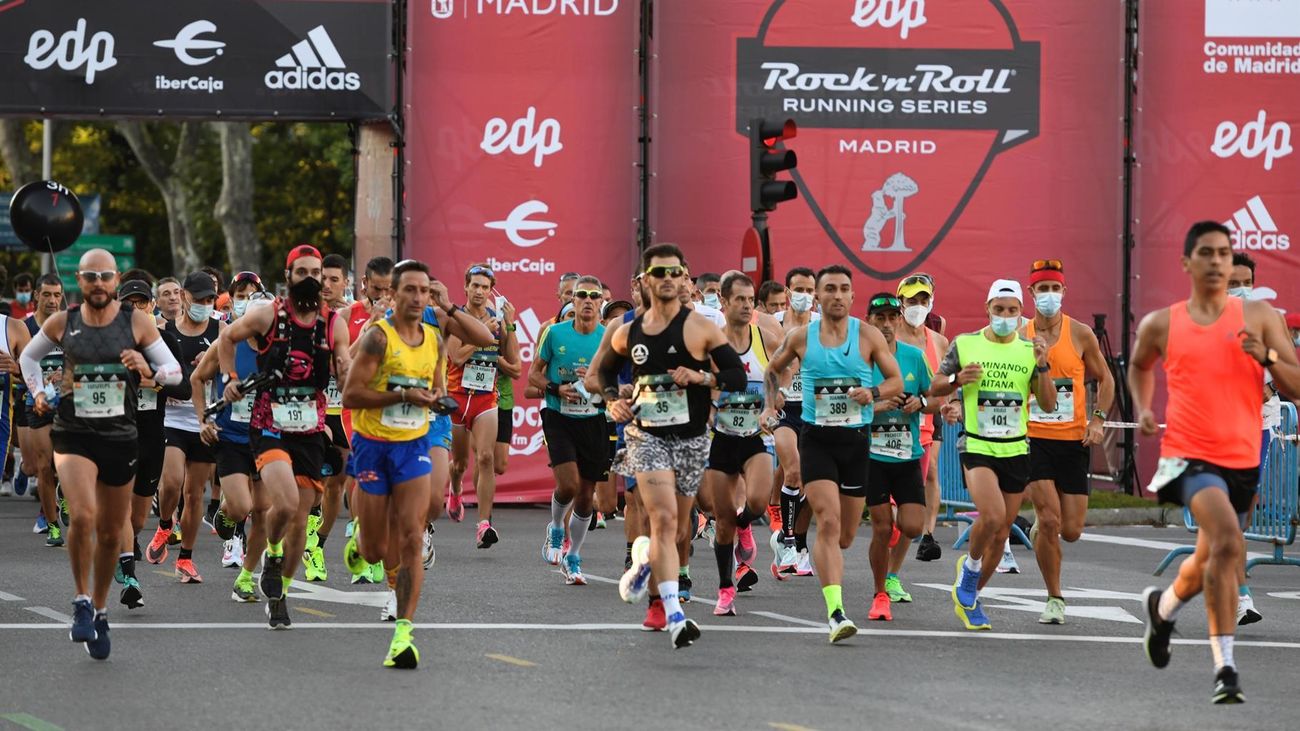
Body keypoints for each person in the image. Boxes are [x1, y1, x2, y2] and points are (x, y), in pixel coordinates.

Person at [1134, 221, 1300, 703]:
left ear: (1233, 265)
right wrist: (1144, 408)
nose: (1216, 261)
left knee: (1211, 555)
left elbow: (1294, 385)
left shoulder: (1262, 317)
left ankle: (1162, 611)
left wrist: (1266, 355)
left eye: (1223, 253)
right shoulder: (1163, 322)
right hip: (1187, 456)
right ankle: (1225, 667)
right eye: (1205, 252)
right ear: (1188, 263)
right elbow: (1140, 366)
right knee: (1229, 542)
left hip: (1242, 457)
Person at [19, 249, 182, 660]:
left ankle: (102, 605)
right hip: (74, 434)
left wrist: (146, 369)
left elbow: (175, 371)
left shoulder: (137, 323)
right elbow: (28, 356)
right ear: (80, 279)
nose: (97, 283)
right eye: (90, 276)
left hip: (120, 435)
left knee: (112, 532)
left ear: (115, 280)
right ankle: (80, 600)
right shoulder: (64, 322)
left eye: (105, 276)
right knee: (84, 515)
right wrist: (39, 393)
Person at [589, 243, 746, 648]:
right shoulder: (627, 331)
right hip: (647, 437)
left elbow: (736, 376)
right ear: (644, 281)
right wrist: (613, 400)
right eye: (659, 273)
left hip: (692, 438)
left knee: (678, 530)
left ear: (684, 278)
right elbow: (601, 372)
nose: (668, 280)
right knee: (660, 519)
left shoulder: (700, 328)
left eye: (675, 273)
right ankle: (673, 614)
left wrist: (701, 379)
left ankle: (645, 564)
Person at [761, 265, 903, 642]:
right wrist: (767, 403)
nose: (837, 295)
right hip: (817, 439)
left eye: (844, 289)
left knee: (844, 536)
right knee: (828, 521)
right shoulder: (801, 336)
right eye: (830, 289)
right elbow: (772, 369)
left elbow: (896, 381)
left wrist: (870, 394)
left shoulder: (868, 336)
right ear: (818, 298)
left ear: (853, 296)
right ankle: (836, 612)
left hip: (856, 441)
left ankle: (800, 540)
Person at [218, 244, 351, 629]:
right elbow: (227, 337)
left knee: (298, 522)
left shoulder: (333, 324)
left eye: (317, 273)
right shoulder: (268, 316)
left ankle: (280, 591)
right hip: (270, 424)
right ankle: (271, 553)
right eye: (303, 272)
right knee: (287, 504)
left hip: (310, 430)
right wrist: (229, 378)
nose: (311, 280)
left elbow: (344, 368)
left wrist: (346, 370)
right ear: (289, 275)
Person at [929, 279, 1054, 632]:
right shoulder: (966, 344)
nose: (1005, 316)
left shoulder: (1030, 350)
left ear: (1020, 314)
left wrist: (1043, 366)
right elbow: (935, 386)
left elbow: (1046, 403)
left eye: (1012, 311)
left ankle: (971, 595)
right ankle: (969, 571)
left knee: (1001, 534)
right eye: (998, 310)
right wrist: (956, 378)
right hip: (977, 444)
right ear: (987, 309)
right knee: (994, 515)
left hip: (1016, 447)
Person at [343, 259, 443, 668]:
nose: (418, 298)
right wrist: (400, 398)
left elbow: (435, 387)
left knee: (412, 538)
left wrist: (435, 399)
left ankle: (403, 634)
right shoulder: (377, 339)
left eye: (425, 291)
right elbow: (351, 395)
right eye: (410, 290)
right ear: (393, 294)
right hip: (372, 445)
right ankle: (359, 542)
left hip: (412, 445)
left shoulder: (433, 338)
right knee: (373, 550)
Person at [1020, 259, 1115, 624]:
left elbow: (1106, 380)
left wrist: (1099, 419)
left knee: (1071, 530)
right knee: (1048, 519)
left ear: (1064, 292)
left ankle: (1044, 530)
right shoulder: (1019, 333)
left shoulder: (1080, 334)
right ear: (1031, 293)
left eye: (1054, 289)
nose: (1048, 296)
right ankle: (1055, 598)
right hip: (1033, 438)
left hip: (1073, 440)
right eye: (1042, 289)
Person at [192, 278, 274, 602]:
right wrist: (203, 420)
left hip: (266, 437)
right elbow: (197, 379)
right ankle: (225, 513)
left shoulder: (277, 351)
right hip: (231, 437)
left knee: (264, 511)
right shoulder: (227, 344)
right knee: (242, 506)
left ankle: (245, 577)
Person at [705, 272, 782, 616]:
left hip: (755, 436)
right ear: (723, 302)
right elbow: (703, 390)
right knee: (721, 520)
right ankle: (725, 589)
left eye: (751, 299)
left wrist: (770, 404)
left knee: (758, 499)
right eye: (740, 299)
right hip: (720, 438)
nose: (747, 305)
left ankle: (746, 521)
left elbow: (779, 375)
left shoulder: (764, 338)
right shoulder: (711, 344)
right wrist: (712, 411)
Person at [862, 293, 938, 619]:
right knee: (881, 528)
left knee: (911, 527)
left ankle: (890, 564)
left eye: (893, 318)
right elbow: (843, 406)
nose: (888, 325)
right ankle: (881, 593)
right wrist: (877, 406)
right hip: (872, 456)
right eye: (880, 319)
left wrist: (919, 403)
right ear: (870, 322)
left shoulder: (914, 356)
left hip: (908, 454)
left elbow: (935, 397)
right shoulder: (859, 361)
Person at [116, 274, 189, 610]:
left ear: (151, 305)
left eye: (141, 302)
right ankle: (130, 577)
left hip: (151, 436)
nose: (136, 308)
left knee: (137, 516)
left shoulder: (164, 341)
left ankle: (126, 547)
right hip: (115, 436)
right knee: (119, 508)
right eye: (129, 303)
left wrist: (155, 382)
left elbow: (184, 389)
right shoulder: (108, 343)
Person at [145, 272, 223, 582]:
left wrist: (214, 364)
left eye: (209, 300)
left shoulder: (221, 330)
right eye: (199, 298)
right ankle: (165, 523)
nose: (204, 304)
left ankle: (186, 559)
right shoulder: (163, 331)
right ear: (185, 297)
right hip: (172, 419)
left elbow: (234, 371)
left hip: (203, 421)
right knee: (173, 481)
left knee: (194, 495)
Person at [531, 275, 608, 586]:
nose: (588, 301)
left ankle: (573, 557)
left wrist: (596, 383)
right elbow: (533, 376)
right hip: (559, 415)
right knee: (569, 484)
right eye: (581, 296)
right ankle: (555, 527)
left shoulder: (608, 338)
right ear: (571, 302)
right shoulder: (554, 333)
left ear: (601, 302)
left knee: (588, 497)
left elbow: (617, 382)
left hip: (594, 418)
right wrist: (556, 388)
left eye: (594, 296)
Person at [445, 264, 519, 548]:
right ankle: (454, 488)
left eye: (484, 287)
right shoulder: (457, 317)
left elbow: (513, 364)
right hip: (457, 396)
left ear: (491, 291)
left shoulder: (497, 320)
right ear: (465, 287)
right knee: (461, 462)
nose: (479, 292)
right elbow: (455, 357)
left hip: (486, 398)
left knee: (487, 458)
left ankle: (484, 524)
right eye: (474, 285)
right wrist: (481, 337)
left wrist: (508, 325)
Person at [340, 256, 395, 582]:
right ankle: (364, 537)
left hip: (392, 413)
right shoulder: (348, 315)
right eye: (377, 289)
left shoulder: (405, 318)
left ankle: (372, 537)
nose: (384, 296)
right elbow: (344, 365)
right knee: (365, 476)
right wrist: (372, 326)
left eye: (389, 290)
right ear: (365, 284)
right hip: (357, 410)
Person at [896, 273, 949, 562]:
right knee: (892, 510)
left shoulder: (939, 339)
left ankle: (927, 533)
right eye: (911, 300)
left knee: (930, 473)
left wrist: (949, 404)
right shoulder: (886, 337)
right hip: (890, 425)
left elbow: (947, 381)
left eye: (923, 300)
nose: (918, 306)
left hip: (927, 420)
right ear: (901, 303)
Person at [770, 267, 819, 577]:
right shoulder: (773, 326)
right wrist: (770, 394)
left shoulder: (824, 328)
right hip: (785, 411)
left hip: (816, 412)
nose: (804, 296)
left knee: (814, 486)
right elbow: (764, 366)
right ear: (787, 293)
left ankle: (799, 543)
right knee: (794, 472)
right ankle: (786, 541)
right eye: (798, 289)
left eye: (809, 290)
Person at [20, 275, 67, 547]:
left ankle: (68, 500)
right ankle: (52, 526)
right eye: (47, 294)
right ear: (36, 295)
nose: (52, 300)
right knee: (42, 467)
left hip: (68, 404)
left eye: (57, 295)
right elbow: (17, 364)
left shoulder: (67, 325)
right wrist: (36, 381)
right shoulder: (24, 327)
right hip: (36, 404)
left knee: (67, 464)